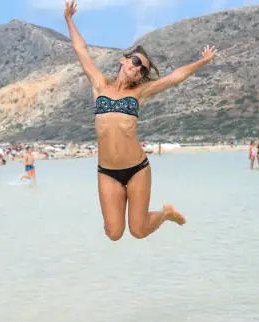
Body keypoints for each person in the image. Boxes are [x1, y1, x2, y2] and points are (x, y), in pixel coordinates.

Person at [65, 0, 216, 241]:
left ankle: (165, 214)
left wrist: (202, 61)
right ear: (123, 60)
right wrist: (69, 20)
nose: (138, 69)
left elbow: (175, 78)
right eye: (136, 62)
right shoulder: (100, 85)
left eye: (143, 69)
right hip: (107, 172)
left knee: (138, 230)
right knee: (114, 233)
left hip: (137, 170)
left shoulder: (139, 94)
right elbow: (81, 50)